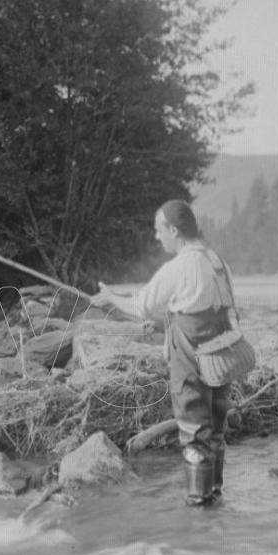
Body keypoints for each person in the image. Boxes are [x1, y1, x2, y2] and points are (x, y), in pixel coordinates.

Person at [91, 200, 239, 507]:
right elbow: (206, 310)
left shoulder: (178, 266)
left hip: (192, 361)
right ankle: (215, 502)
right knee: (214, 429)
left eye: (159, 230)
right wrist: (165, 321)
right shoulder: (217, 261)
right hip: (222, 358)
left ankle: (198, 507)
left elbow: (141, 305)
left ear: (174, 229)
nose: (157, 237)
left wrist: (110, 298)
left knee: (193, 430)